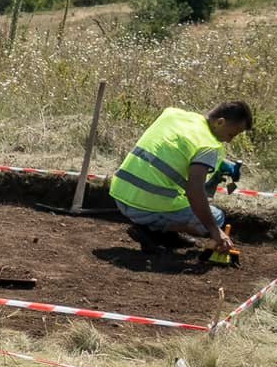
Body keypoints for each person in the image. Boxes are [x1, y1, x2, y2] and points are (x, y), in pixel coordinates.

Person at [108, 101, 253, 256]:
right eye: (231, 134)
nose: (229, 141)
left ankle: (165, 234)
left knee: (185, 203)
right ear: (220, 122)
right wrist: (215, 231)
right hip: (143, 206)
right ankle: (151, 232)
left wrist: (219, 164)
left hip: (120, 193)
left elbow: (175, 150)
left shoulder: (174, 115)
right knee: (217, 217)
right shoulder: (209, 146)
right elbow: (194, 192)